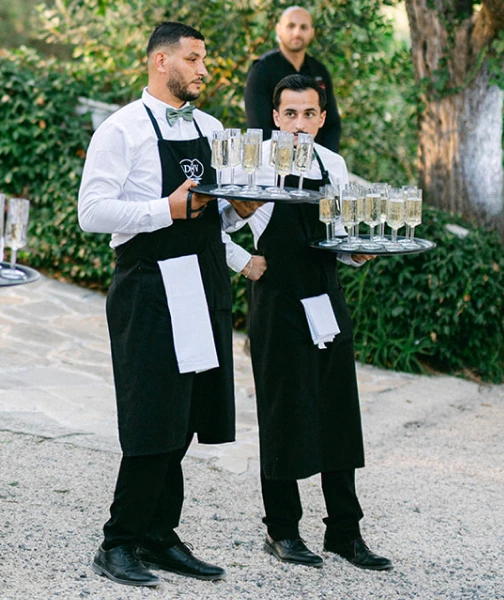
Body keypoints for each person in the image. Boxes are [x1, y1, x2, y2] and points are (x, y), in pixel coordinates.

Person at [77, 22, 257, 588]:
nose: (205, 69)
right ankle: (119, 540)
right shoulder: (119, 130)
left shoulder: (210, 127)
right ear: (161, 61)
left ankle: (159, 534)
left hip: (201, 282)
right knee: (153, 413)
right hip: (149, 284)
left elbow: (214, 213)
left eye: (205, 59)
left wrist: (240, 212)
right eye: (195, 58)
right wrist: (165, 210)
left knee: (184, 414)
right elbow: (92, 213)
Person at [235, 74, 392, 571]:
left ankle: (345, 532)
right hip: (278, 300)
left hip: (326, 297)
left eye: (309, 115)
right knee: (283, 414)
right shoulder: (254, 163)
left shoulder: (335, 164)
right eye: (290, 115)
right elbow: (213, 221)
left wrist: (357, 254)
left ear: (322, 119)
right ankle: (281, 530)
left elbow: (338, 238)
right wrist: (242, 262)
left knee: (339, 412)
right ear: (275, 118)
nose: (300, 125)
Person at [244, 6, 341, 152]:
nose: (297, 33)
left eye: (303, 27)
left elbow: (332, 123)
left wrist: (325, 160)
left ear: (312, 32)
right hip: (276, 160)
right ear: (278, 29)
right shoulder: (262, 70)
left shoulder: (319, 70)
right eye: (291, 26)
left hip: (315, 160)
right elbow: (259, 126)